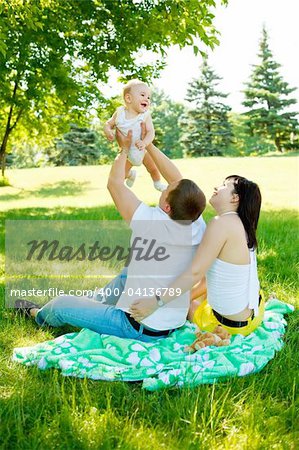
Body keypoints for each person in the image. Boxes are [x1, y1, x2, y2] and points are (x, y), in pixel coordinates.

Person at [15, 126, 207, 343]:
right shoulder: (195, 220)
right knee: (127, 274)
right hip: (170, 321)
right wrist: (148, 144)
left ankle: (37, 314)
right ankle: (94, 301)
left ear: (167, 207)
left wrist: (124, 149)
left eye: (165, 191)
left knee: (61, 304)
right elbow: (177, 181)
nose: (164, 188)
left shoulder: (150, 222)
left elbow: (114, 184)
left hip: (135, 325)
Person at [129, 175, 265, 337]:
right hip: (254, 312)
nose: (216, 187)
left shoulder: (221, 223)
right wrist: (149, 148)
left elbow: (195, 273)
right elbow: (178, 180)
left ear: (235, 198)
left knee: (183, 305)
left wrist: (156, 302)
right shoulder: (241, 223)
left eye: (223, 186)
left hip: (229, 326)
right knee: (190, 295)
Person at [104, 79, 166, 191]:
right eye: (143, 95)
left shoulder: (145, 115)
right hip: (127, 154)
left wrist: (145, 143)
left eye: (148, 97)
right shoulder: (120, 113)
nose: (146, 99)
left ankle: (157, 184)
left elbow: (151, 132)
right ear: (128, 98)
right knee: (121, 175)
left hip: (143, 150)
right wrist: (107, 130)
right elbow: (109, 123)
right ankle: (131, 175)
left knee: (153, 169)